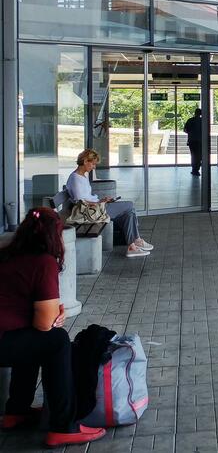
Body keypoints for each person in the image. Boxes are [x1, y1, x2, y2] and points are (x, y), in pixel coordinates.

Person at [0, 208, 106, 446]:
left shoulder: (6, 254)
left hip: (6, 336)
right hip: (3, 340)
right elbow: (44, 324)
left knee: (33, 340)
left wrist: (43, 317)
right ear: (54, 237)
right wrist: (54, 315)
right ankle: (63, 426)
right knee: (55, 341)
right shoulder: (43, 262)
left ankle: (16, 412)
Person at [66, 150, 153, 259]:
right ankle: (136, 241)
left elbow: (86, 197)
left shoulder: (82, 176)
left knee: (129, 214)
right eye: (93, 164)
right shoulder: (75, 178)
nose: (94, 167)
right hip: (91, 212)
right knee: (130, 205)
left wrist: (102, 200)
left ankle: (132, 246)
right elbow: (81, 201)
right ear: (84, 161)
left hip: (96, 208)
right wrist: (100, 202)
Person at [183, 108, 203, 176]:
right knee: (199, 155)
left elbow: (185, 130)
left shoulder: (190, 120)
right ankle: (197, 169)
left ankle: (194, 169)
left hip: (192, 141)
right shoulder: (202, 121)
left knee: (193, 155)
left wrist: (191, 133)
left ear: (195, 113)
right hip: (200, 141)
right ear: (200, 113)